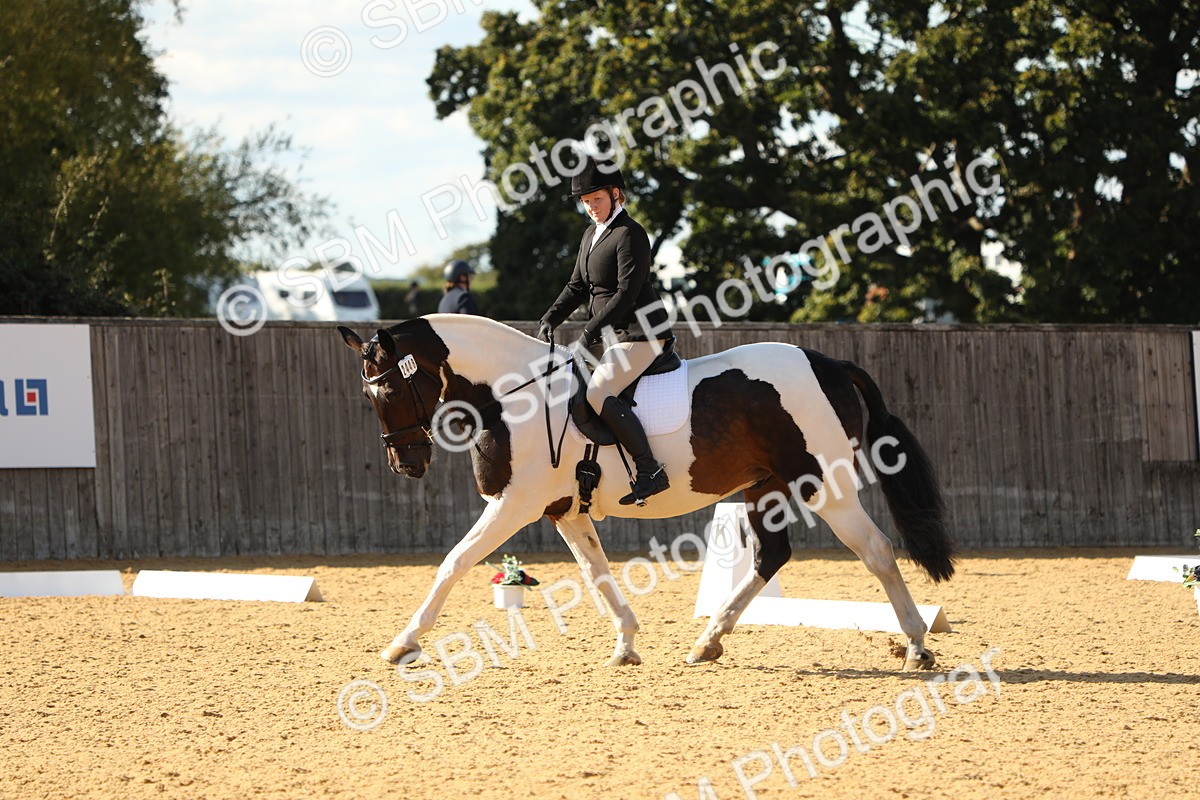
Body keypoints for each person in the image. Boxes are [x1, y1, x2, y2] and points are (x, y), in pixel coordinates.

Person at [536, 157, 675, 506]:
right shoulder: (591, 235)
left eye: (596, 200)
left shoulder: (631, 235)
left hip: (641, 333)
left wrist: (590, 332)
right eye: (586, 203)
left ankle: (650, 471)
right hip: (611, 335)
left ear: (616, 194)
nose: (591, 208)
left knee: (597, 393)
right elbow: (577, 285)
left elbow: (627, 293)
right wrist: (551, 317)